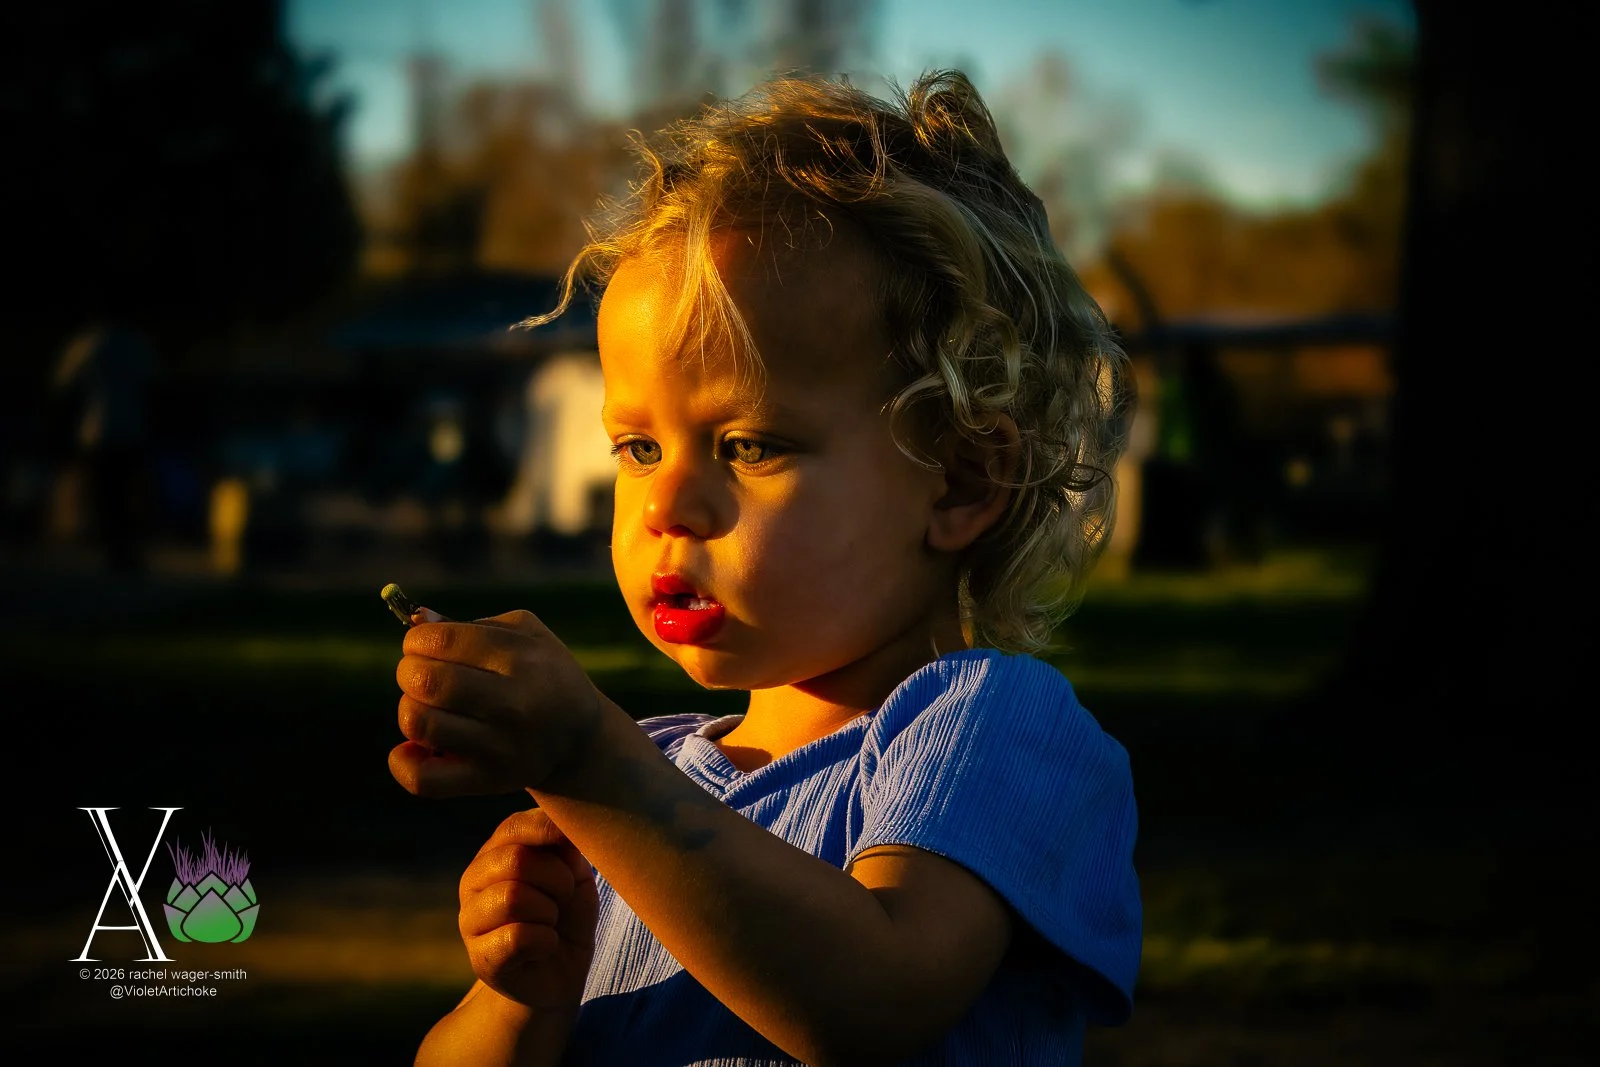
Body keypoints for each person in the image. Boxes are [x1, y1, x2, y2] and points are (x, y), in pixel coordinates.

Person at [391, 69, 1141, 1066]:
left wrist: (586, 764)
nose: (664, 506)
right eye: (637, 448)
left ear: (958, 481)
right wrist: (520, 996)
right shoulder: (640, 787)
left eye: (747, 445)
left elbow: (874, 999)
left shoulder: (994, 725)